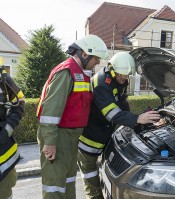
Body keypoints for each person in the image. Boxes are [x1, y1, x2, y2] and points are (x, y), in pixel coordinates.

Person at [77, 52, 160, 199]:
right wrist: (137, 119)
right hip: (89, 139)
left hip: (103, 135)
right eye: (122, 75)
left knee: (104, 175)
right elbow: (112, 114)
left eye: (127, 76)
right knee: (91, 177)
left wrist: (139, 121)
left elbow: (122, 106)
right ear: (112, 69)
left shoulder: (116, 79)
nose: (124, 78)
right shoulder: (101, 83)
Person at [36, 34, 108, 199]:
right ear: (84, 54)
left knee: (68, 182)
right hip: (58, 137)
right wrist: (50, 142)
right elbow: (49, 113)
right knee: (54, 187)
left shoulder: (81, 73)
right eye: (96, 58)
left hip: (70, 138)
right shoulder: (66, 71)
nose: (97, 62)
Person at [0, 56, 25, 199]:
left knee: (5, 191)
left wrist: (6, 130)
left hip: (4, 152)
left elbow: (20, 103)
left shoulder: (5, 81)